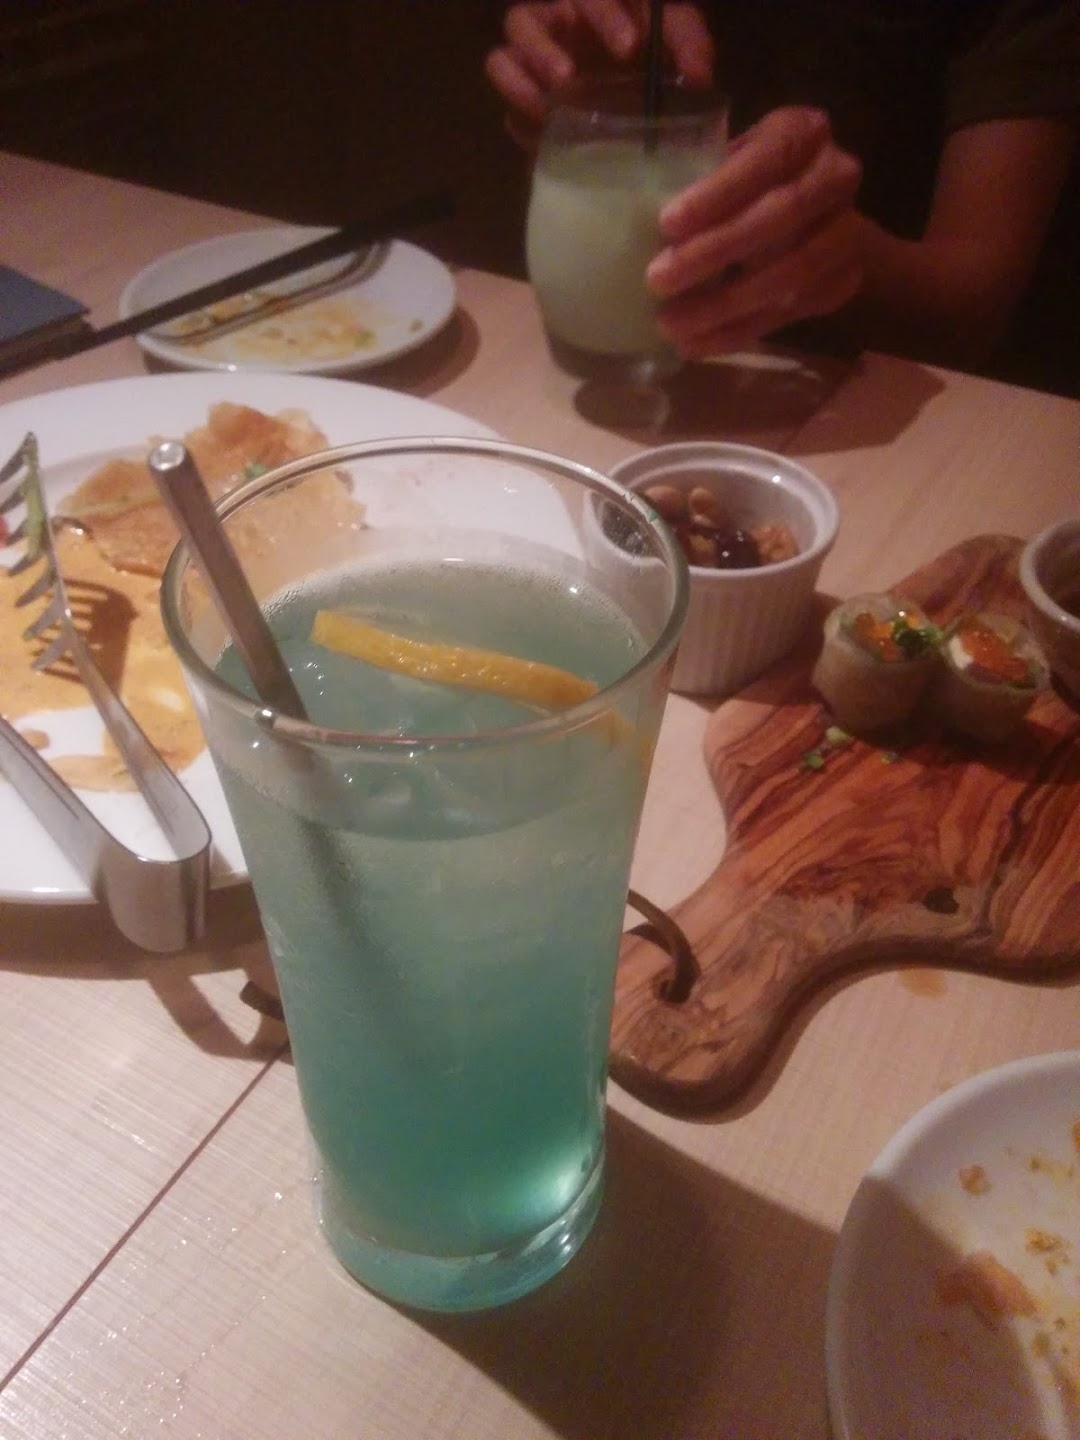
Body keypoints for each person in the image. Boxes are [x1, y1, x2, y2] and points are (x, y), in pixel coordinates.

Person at [485, 0, 1080, 394]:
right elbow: (579, 218)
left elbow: (974, 310)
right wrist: (577, 93)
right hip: (605, 386)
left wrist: (831, 254)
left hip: (876, 400)